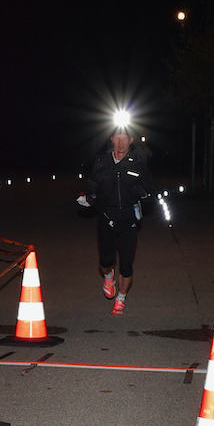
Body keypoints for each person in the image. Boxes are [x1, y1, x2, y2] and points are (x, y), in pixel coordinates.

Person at [82, 127, 156, 315]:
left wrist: (143, 192)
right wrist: (90, 195)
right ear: (112, 139)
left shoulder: (139, 164)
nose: (121, 142)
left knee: (126, 264)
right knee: (106, 261)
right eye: (117, 138)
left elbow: (150, 194)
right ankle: (108, 276)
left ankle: (121, 298)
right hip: (106, 218)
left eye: (124, 138)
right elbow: (91, 183)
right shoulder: (101, 162)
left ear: (131, 140)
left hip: (129, 221)